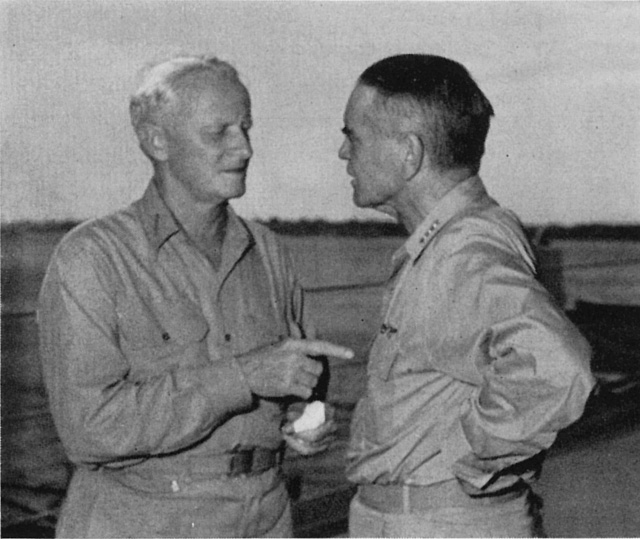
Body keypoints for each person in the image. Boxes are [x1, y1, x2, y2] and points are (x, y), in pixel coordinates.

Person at [38, 54, 353, 538]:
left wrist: (307, 420)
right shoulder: (92, 258)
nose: (243, 148)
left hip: (266, 517)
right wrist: (244, 376)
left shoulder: (268, 250)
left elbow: (300, 384)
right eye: (219, 132)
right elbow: (89, 429)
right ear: (156, 140)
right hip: (146, 521)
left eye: (246, 127)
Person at [338, 54, 595, 537]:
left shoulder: (461, 253)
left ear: (409, 154)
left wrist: (465, 453)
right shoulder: (461, 237)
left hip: (439, 522)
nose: (342, 152)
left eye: (353, 135)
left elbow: (559, 367)